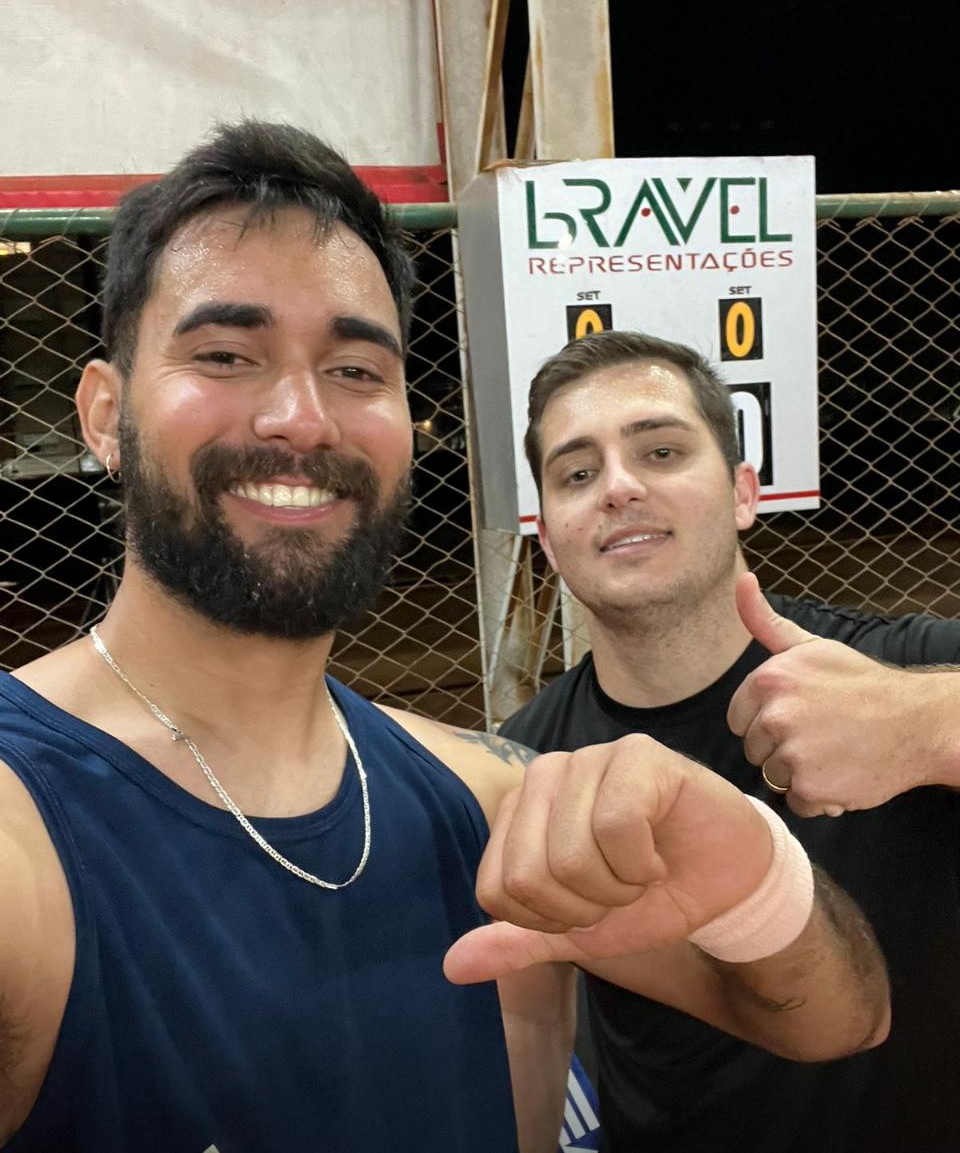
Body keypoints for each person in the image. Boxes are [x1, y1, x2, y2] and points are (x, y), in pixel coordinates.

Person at [0, 127, 889, 1153]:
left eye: (355, 368)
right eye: (226, 356)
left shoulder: (487, 796)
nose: (302, 417)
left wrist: (752, 871)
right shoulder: (25, 830)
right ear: (105, 414)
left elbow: (838, 1017)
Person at [500, 328, 960, 1153]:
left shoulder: (894, 669)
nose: (619, 486)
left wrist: (923, 724)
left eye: (662, 451)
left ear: (744, 493)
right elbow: (533, 1027)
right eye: (577, 473)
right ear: (551, 538)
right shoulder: (529, 759)